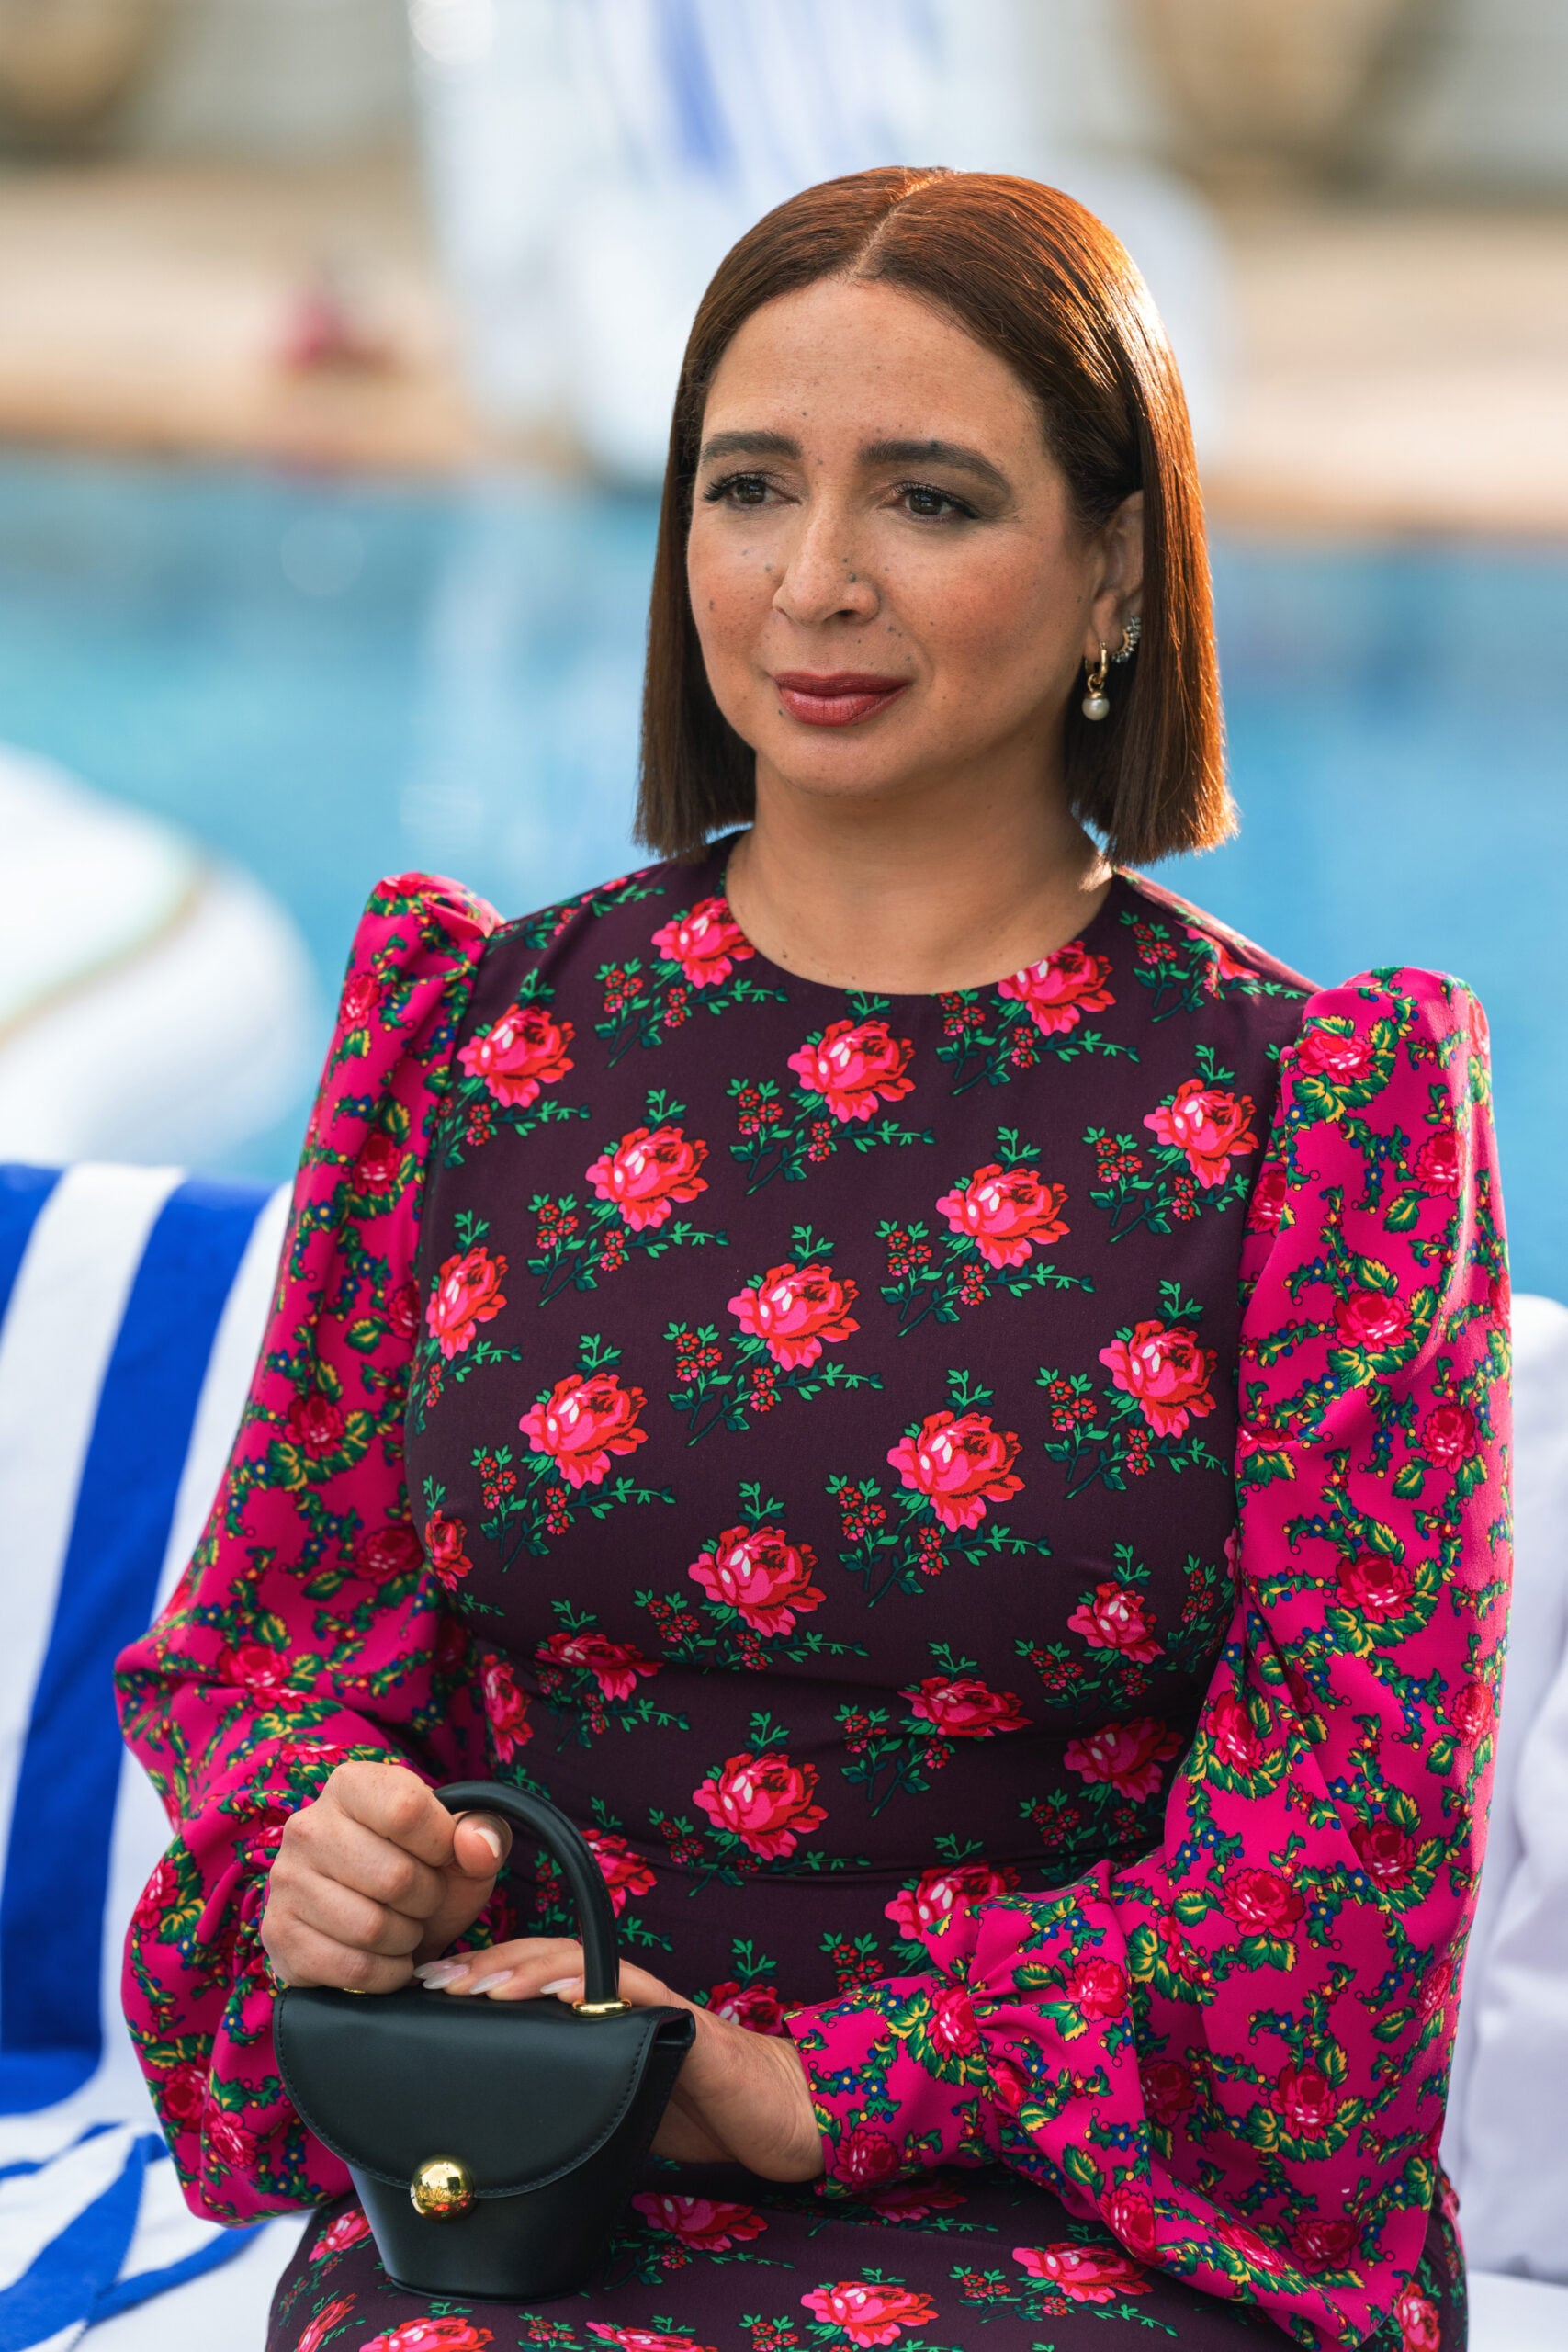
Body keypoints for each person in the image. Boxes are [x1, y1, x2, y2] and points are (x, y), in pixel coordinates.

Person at [116, 167, 1508, 2352]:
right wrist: (332, 1840)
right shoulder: (475, 1042)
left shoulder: (1313, 1116)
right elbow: (266, 1648)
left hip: (1104, 2203)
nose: (816, 579)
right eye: (748, 486)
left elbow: (1340, 1853)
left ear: (1118, 565)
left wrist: (799, 2088)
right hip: (539, 2164)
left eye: (930, 498)